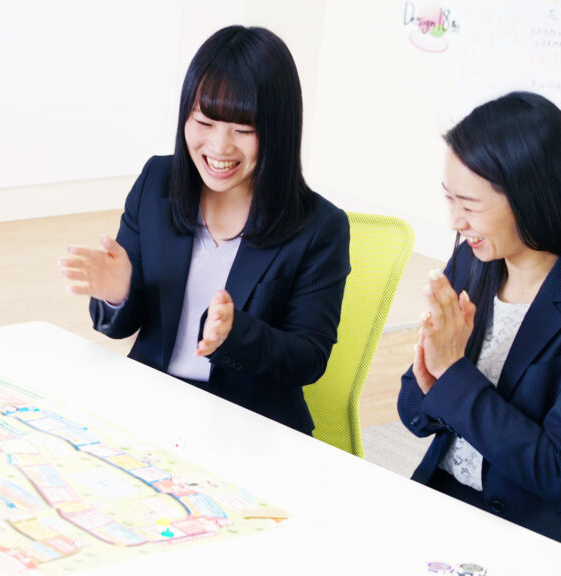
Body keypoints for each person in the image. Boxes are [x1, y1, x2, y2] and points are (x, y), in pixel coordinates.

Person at [57, 26, 350, 434]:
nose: (219, 146)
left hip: (246, 428)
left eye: (243, 130)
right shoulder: (156, 183)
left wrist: (235, 335)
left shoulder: (319, 227)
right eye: (205, 122)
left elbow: (308, 358)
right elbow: (119, 326)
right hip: (150, 409)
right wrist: (118, 294)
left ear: (279, 130)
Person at [398, 91, 561, 542]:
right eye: (449, 199)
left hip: (525, 535)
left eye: (470, 206)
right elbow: (412, 411)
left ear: (530, 197)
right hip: (441, 501)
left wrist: (452, 373)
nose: (456, 221)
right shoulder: (473, 263)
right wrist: (432, 376)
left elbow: (554, 470)